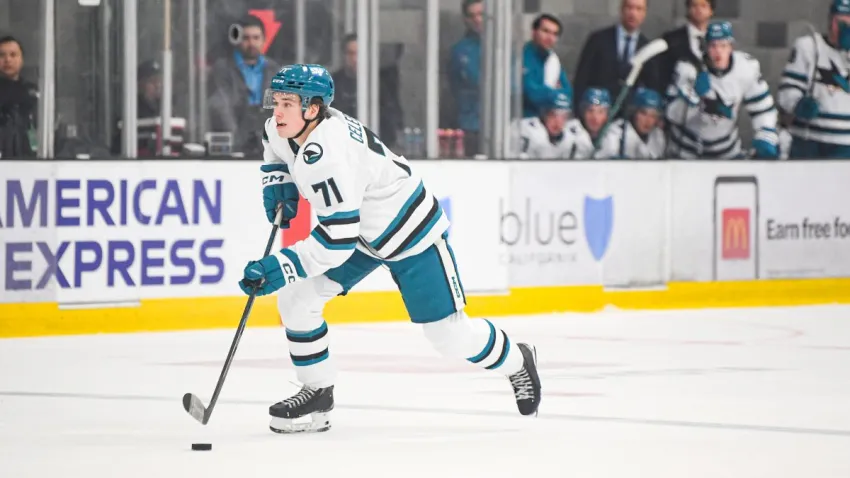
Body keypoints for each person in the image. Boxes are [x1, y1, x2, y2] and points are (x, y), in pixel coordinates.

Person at [239, 64, 542, 434]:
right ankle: (317, 389)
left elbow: (336, 241)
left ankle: (517, 360)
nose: (279, 111)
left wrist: (280, 267)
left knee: (449, 336)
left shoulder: (328, 156)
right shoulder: (284, 126)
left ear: (314, 109)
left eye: (289, 103)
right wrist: (278, 180)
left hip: (410, 234)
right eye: (277, 101)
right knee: (298, 299)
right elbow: (272, 145)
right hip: (361, 235)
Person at [665, 21, 779, 159]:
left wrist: (765, 135)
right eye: (713, 46)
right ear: (706, 47)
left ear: (731, 47)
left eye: (723, 45)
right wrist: (692, 95)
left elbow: (763, 108)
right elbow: (671, 115)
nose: (718, 51)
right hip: (686, 153)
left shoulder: (745, 68)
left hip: (727, 152)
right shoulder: (687, 69)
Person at [778, 0, 850, 158]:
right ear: (831, 21)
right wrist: (797, 105)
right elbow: (787, 91)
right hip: (808, 139)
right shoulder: (809, 46)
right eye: (841, 22)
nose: (845, 28)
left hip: (845, 144)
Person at [596, 87, 666, 159]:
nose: (648, 120)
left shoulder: (658, 135)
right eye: (643, 113)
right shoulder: (616, 132)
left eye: (653, 116)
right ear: (634, 112)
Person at [511, 92, 583, 159]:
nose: (558, 122)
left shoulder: (572, 138)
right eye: (553, 115)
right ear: (544, 114)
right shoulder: (526, 130)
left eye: (563, 117)